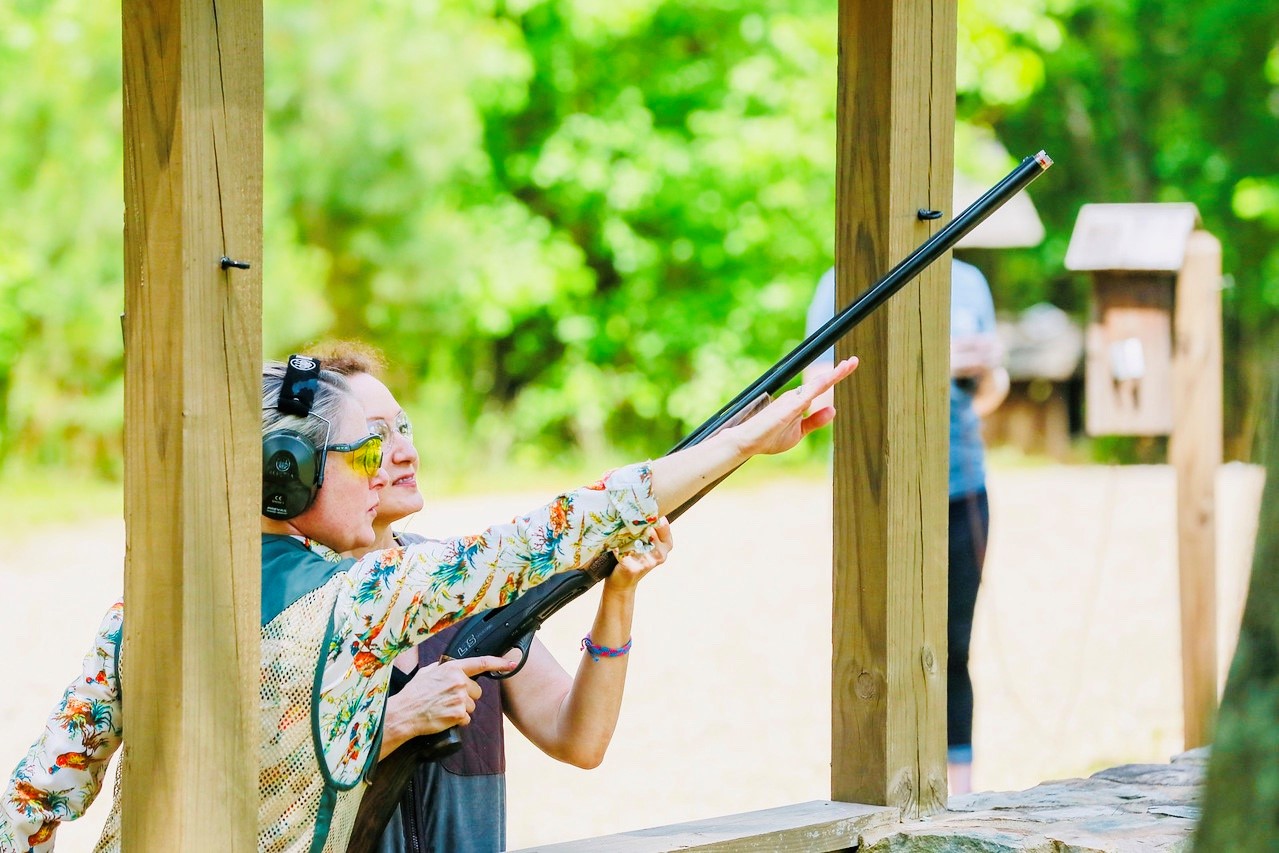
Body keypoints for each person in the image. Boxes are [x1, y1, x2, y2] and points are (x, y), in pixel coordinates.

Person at [1, 351, 860, 853]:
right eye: (365, 454)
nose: (387, 469)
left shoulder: (144, 604)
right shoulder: (364, 596)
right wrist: (743, 442)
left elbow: (38, 794)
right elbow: (561, 527)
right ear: (289, 473)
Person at [311, 341, 672, 853]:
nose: (406, 451)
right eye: (375, 437)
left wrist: (619, 593)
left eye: (404, 427)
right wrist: (397, 719)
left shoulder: (464, 582)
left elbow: (579, 739)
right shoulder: (298, 605)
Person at [804, 260, 1005, 796]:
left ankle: (958, 792)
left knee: (954, 646)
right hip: (876, 493)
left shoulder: (971, 282)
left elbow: (991, 392)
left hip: (962, 487)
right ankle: (878, 788)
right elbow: (816, 391)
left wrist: (985, 368)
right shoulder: (839, 281)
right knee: (877, 644)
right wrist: (935, 360)